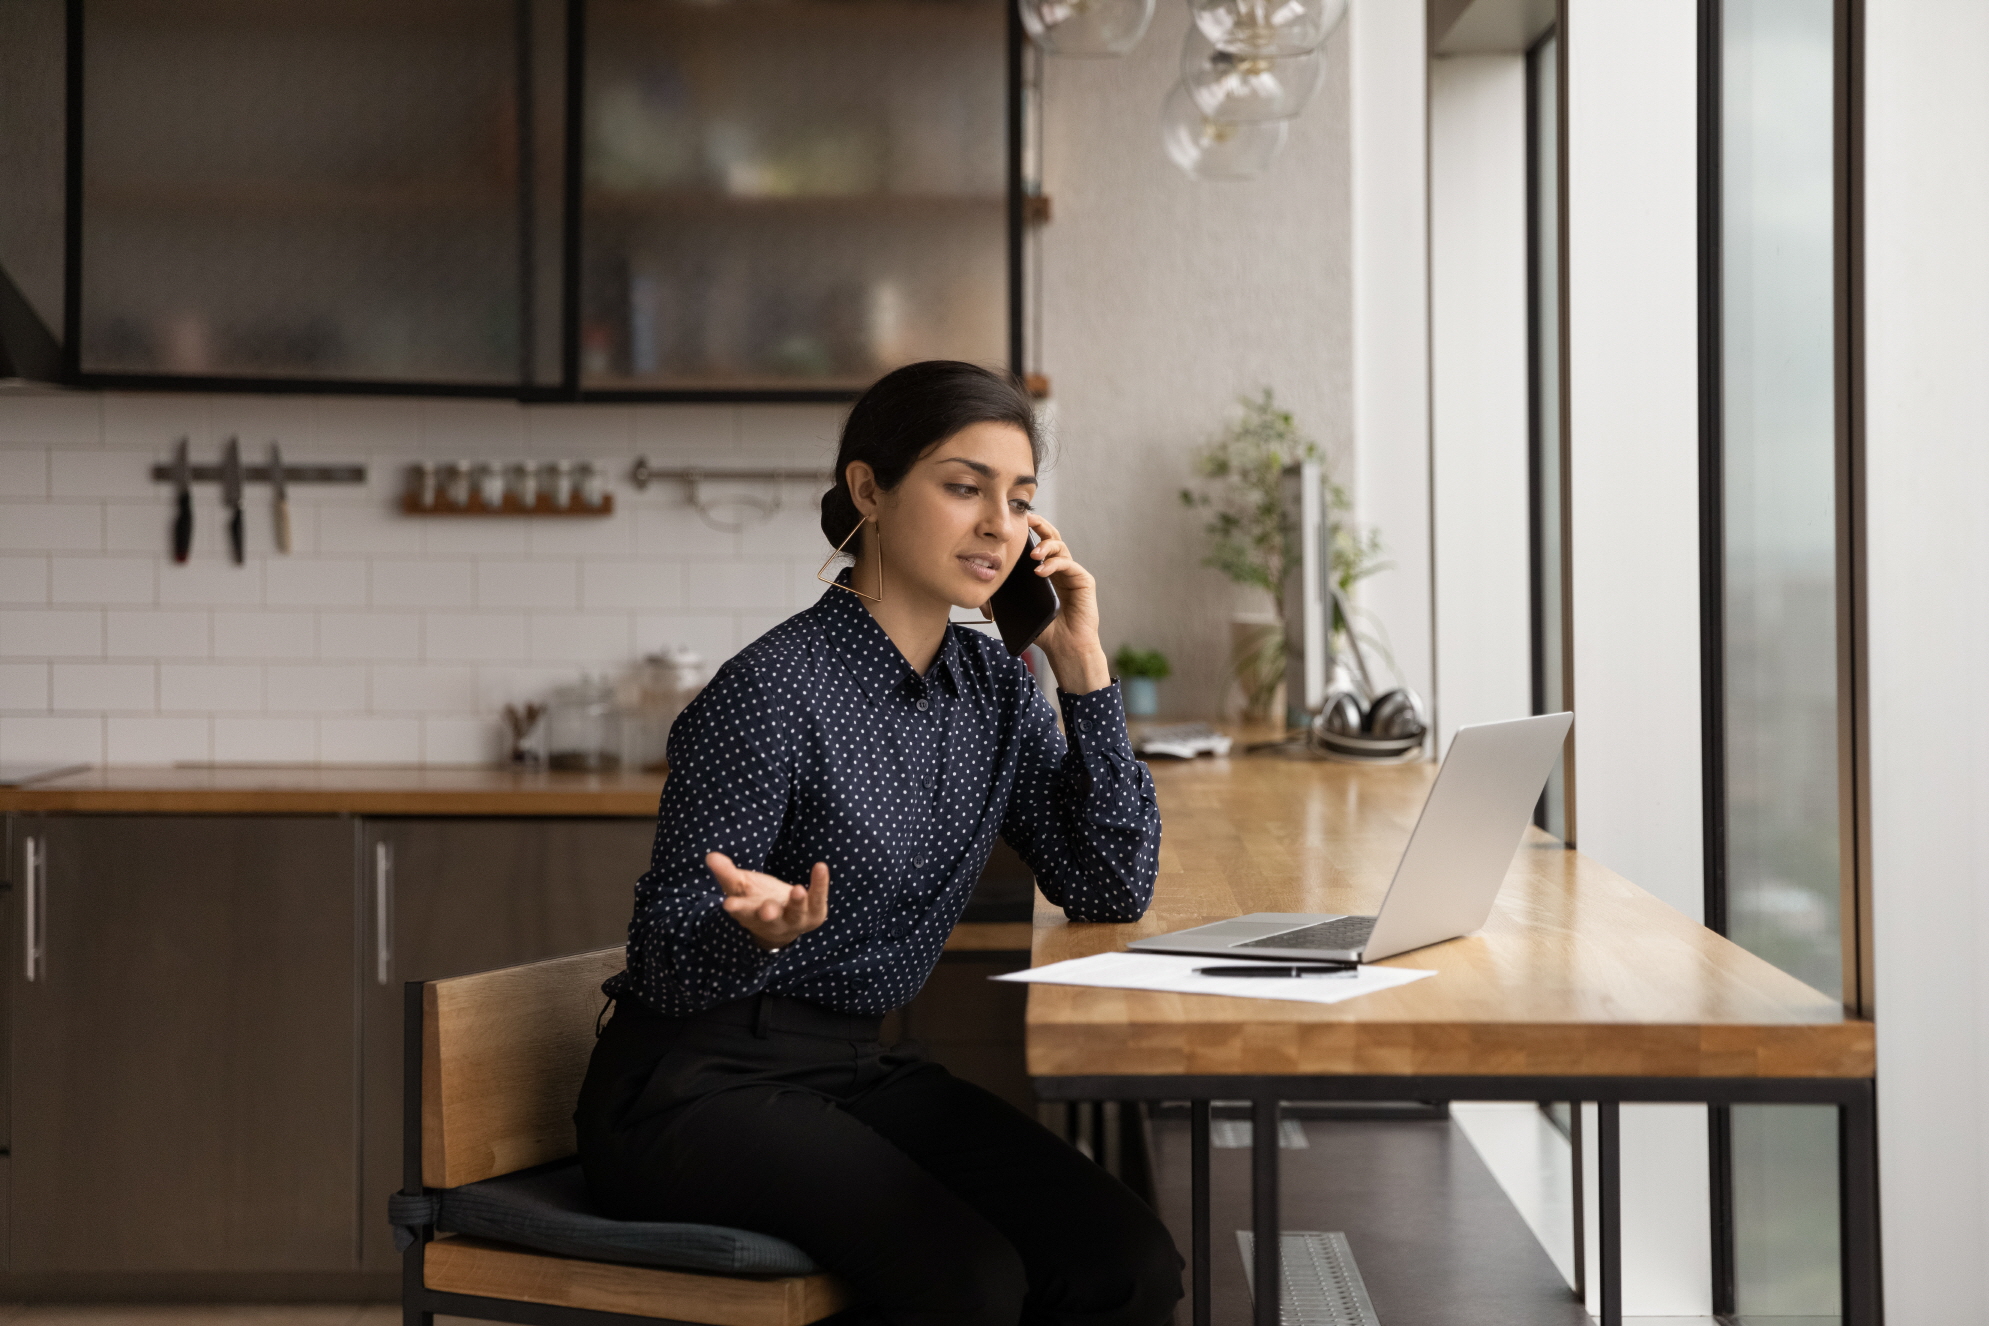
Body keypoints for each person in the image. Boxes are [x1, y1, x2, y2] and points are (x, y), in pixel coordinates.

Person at [574, 360, 1180, 1326]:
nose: (997, 525)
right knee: (971, 1283)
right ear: (869, 488)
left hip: (856, 1070)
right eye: (961, 486)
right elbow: (661, 961)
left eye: (1019, 500)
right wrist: (752, 934)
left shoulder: (996, 689)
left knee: (1127, 1262)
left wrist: (1084, 671)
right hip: (694, 1087)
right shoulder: (770, 693)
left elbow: (1107, 883)